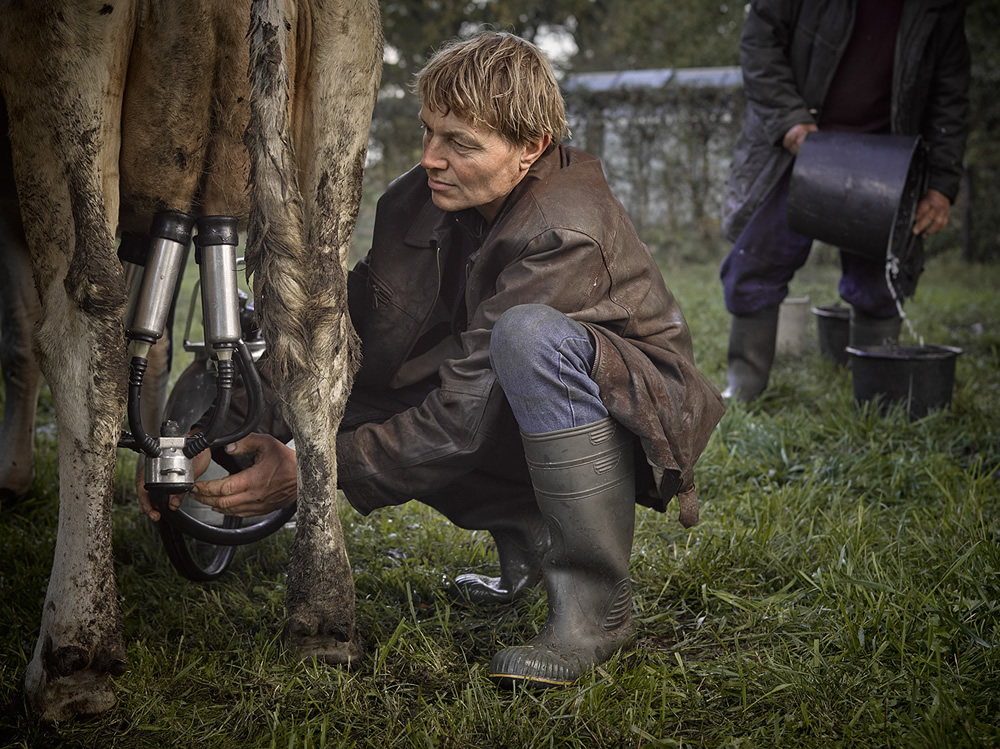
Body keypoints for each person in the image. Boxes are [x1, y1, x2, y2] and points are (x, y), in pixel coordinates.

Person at [140, 31, 725, 688]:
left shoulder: (566, 228)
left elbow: (458, 420)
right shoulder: (415, 197)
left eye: (461, 144)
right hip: (497, 400)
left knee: (526, 339)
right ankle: (528, 543)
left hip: (629, 417)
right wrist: (206, 427)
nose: (431, 159)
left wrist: (308, 467)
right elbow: (346, 335)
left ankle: (597, 609)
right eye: (429, 132)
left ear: (530, 148)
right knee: (391, 378)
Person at [719, 0, 970, 401]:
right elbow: (759, 45)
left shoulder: (938, 7)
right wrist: (789, 120)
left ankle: (877, 396)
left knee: (880, 281)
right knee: (756, 262)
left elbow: (949, 91)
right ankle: (744, 387)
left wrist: (940, 183)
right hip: (797, 145)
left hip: (886, 155)